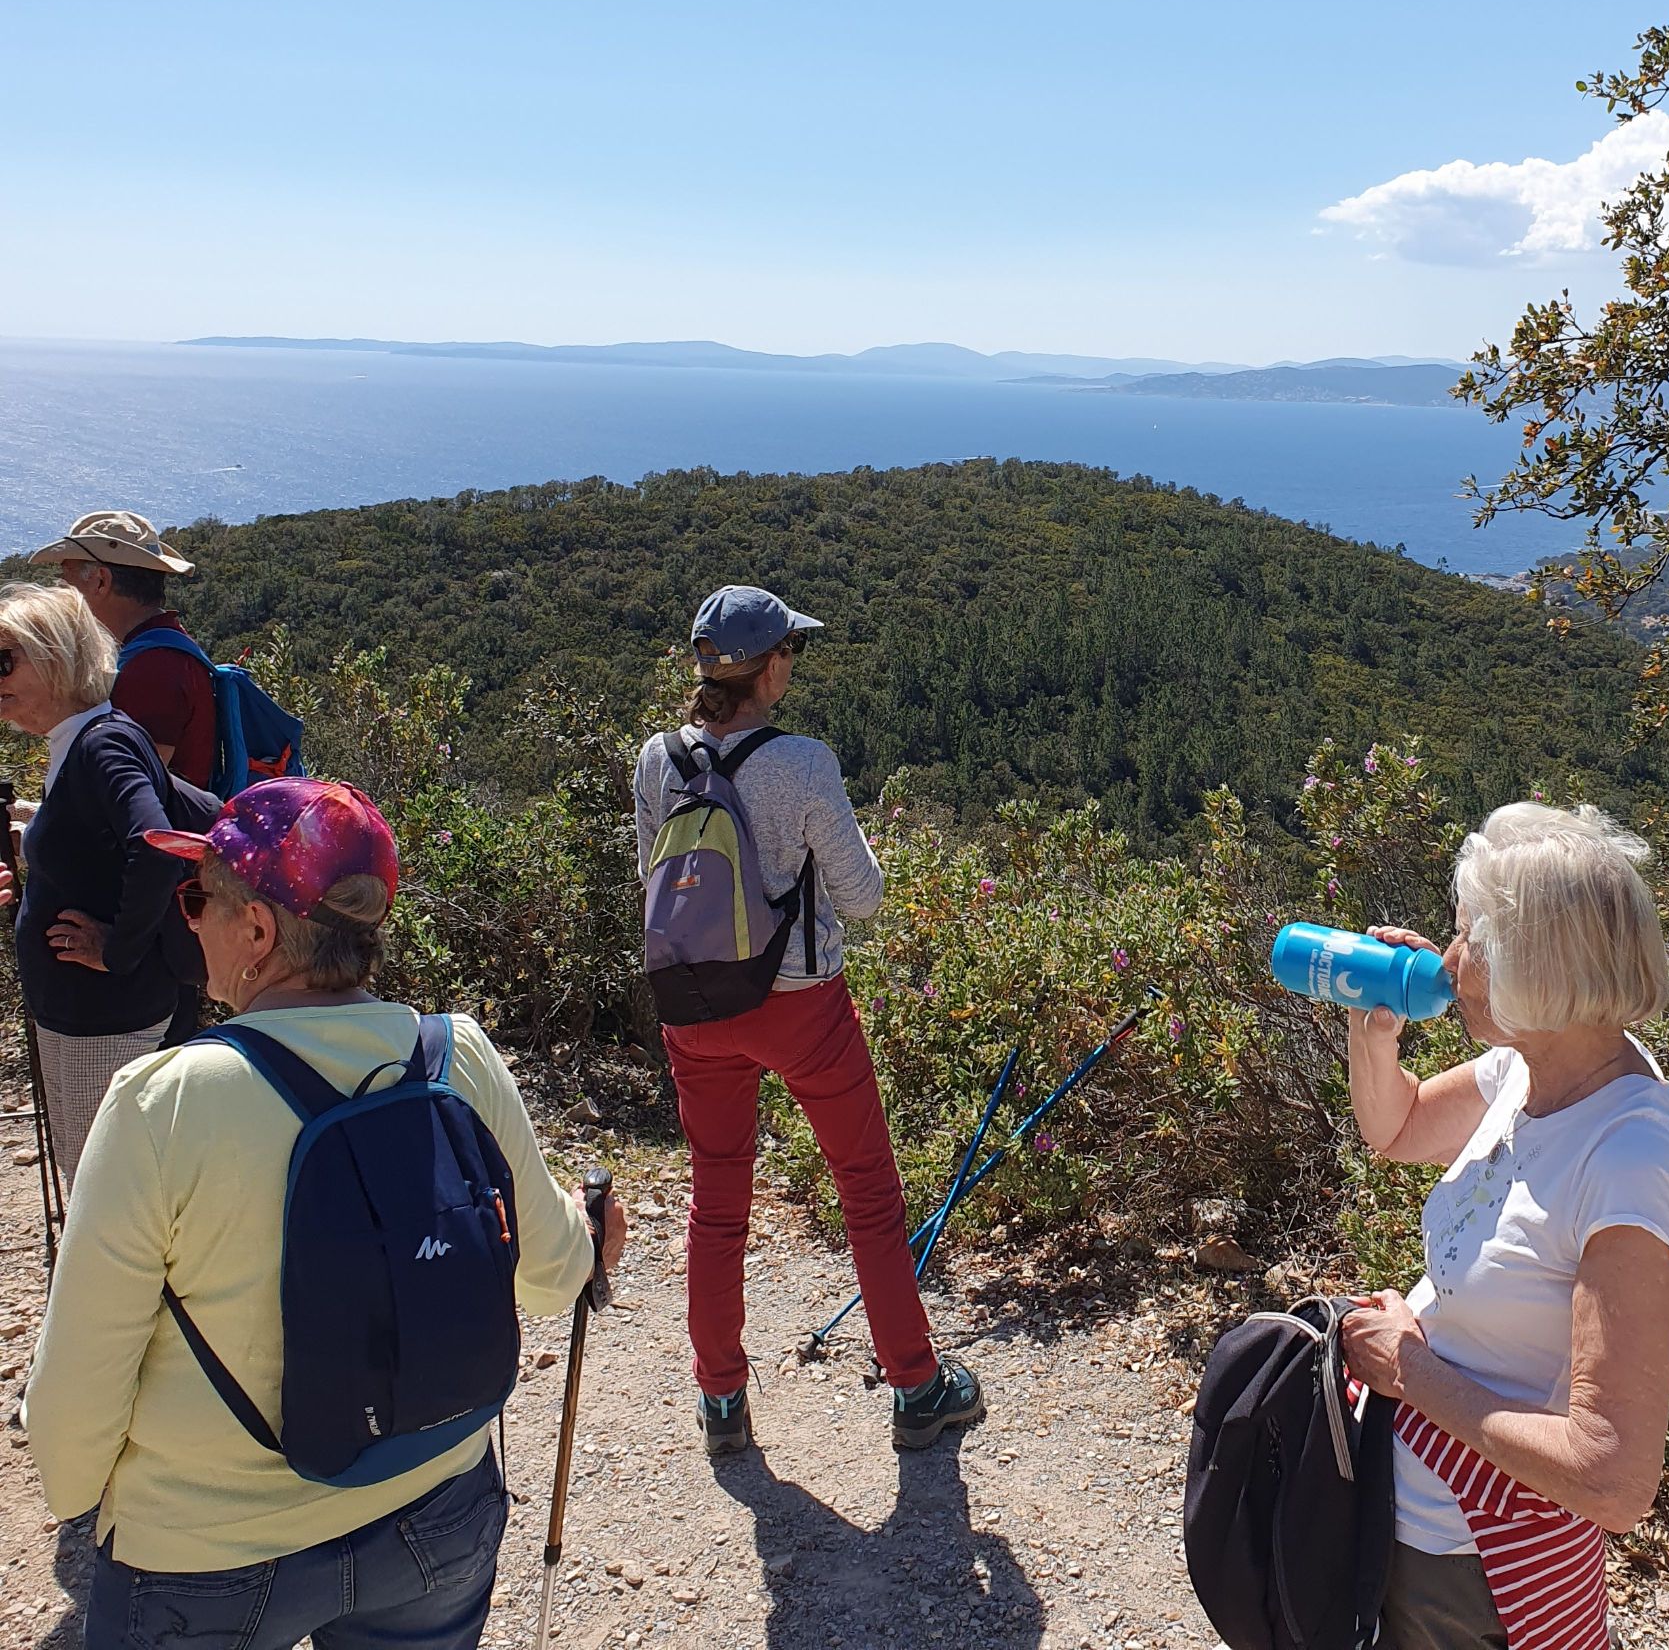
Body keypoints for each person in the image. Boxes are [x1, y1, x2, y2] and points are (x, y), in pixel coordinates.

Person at [23, 775, 628, 1650]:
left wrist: (83, 1498)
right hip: (435, 1517)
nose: (188, 921)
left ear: (258, 931)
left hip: (206, 1560)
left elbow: (74, 1404)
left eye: (197, 899)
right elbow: (554, 1277)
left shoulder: (163, 1102)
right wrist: (587, 1229)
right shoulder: (456, 1056)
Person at [1338, 802, 1669, 1650]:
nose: (1448, 959)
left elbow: (1613, 1480)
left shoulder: (1629, 1164)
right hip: (1408, 1507)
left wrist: (1409, 1370)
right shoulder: (1530, 1069)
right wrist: (1375, 1026)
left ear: (1537, 968)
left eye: (1469, 938)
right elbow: (1397, 1128)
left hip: (1478, 1557)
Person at [635, 583, 984, 1455]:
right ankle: (916, 1386)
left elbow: (653, 878)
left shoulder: (657, 759)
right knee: (866, 1188)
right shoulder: (804, 762)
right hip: (801, 1005)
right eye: (791, 649)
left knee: (717, 1197)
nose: (794, 662)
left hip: (694, 1005)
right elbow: (861, 899)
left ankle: (721, 1399)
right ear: (771, 667)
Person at [0, 582, 201, 1184]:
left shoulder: (102, 743)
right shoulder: (81, 740)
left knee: (105, 1183)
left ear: (57, 657)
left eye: (5, 661)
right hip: (82, 1011)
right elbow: (101, 843)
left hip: (105, 1017)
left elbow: (156, 845)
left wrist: (118, 951)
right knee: (96, 1170)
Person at [29, 509, 217, 786]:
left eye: (67, 578)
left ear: (100, 581)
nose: (61, 591)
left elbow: (125, 791)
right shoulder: (160, 648)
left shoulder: (152, 669)